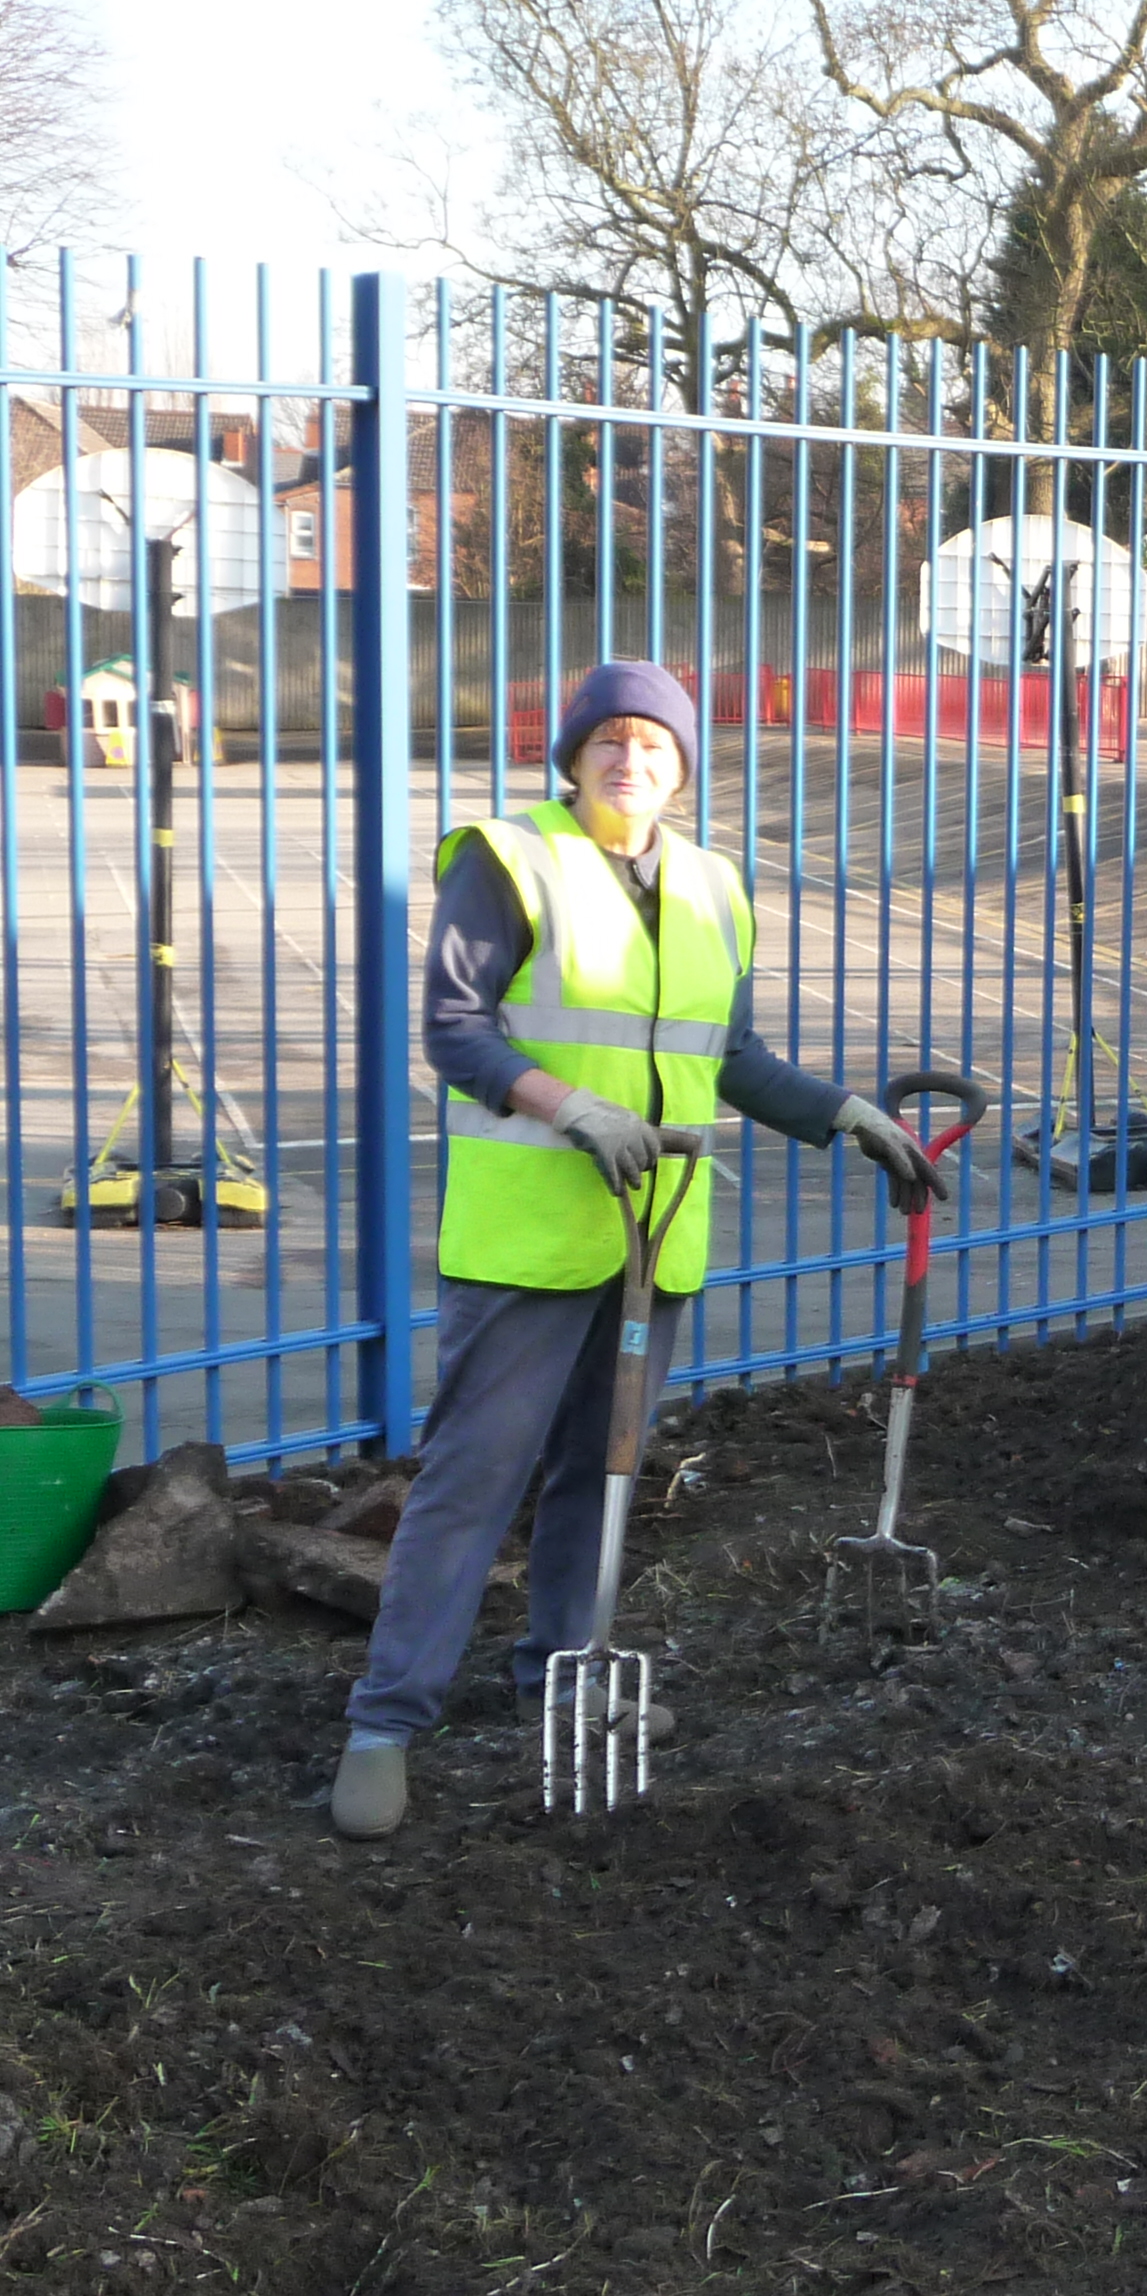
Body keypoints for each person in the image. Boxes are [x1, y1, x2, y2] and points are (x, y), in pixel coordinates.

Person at [329, 660, 950, 1839]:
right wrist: (570, 1106)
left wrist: (847, 1116)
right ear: (572, 756)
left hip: (653, 1235)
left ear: (682, 767)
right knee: (471, 1482)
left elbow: (732, 1056)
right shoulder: (509, 858)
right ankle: (386, 1721)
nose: (631, 760)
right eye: (610, 739)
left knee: (601, 1475)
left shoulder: (715, 884)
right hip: (528, 1235)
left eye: (655, 744)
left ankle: (562, 1676)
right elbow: (455, 1030)